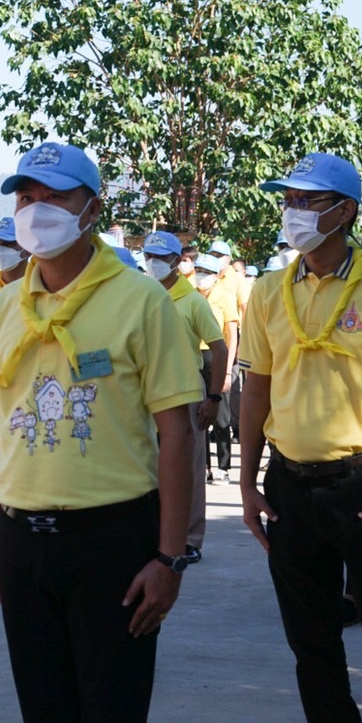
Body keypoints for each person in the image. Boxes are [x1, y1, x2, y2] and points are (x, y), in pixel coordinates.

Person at [0, 144, 201, 723]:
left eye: (54, 196)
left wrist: (169, 557)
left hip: (115, 543)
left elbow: (177, 432)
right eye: (26, 198)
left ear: (92, 208)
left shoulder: (141, 300)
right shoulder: (2, 306)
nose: (36, 210)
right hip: (25, 541)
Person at [239, 152, 362, 723]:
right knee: (311, 645)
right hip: (291, 486)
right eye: (289, 200)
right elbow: (256, 390)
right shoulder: (268, 291)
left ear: (345, 211)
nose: (293, 212)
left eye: (308, 201)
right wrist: (247, 483)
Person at [143, 232, 229, 564]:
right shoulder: (143, 296)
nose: (153, 263)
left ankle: (190, 537)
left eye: (160, 258)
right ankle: (157, 532)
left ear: (178, 263)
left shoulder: (194, 302)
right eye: (149, 256)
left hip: (187, 388)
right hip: (149, 387)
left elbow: (219, 349)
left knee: (190, 465)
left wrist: (215, 397)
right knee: (149, 462)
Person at [192, 253, 240, 484]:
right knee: (198, 415)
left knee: (221, 416)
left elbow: (231, 336)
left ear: (217, 275)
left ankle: (223, 466)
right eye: (199, 270)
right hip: (195, 357)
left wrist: (229, 370)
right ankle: (204, 465)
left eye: (207, 272)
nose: (202, 276)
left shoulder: (225, 296)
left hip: (217, 356)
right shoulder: (191, 295)